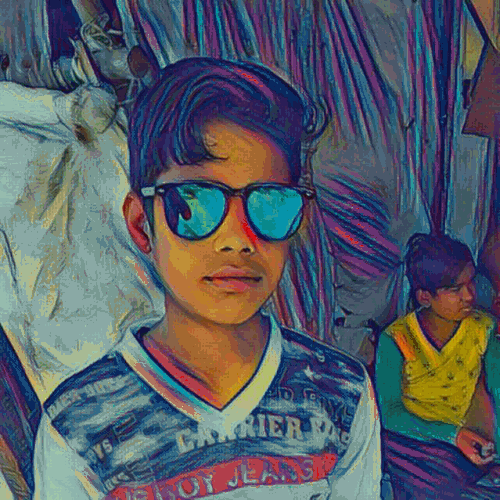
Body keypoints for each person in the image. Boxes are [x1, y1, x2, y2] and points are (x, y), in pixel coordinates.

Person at [32, 57, 382, 500]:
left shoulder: (342, 395)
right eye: (194, 203)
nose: (238, 239)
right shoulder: (78, 428)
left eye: (270, 203)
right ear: (142, 225)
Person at [375, 232, 500, 498]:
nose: (469, 295)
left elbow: (498, 390)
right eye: (455, 289)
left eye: (471, 282)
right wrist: (453, 435)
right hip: (409, 442)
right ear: (424, 297)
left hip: (464, 445)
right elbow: (391, 414)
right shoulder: (396, 339)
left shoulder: (483, 329)